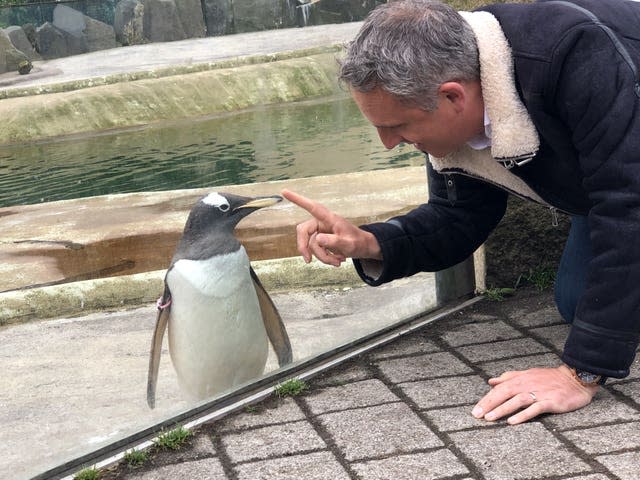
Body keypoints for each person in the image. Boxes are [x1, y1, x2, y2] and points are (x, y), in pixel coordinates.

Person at [281, 0, 640, 425]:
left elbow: (628, 207)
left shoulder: (576, 53)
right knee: (580, 301)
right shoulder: (449, 78)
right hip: (621, 176)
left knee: (606, 320)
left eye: (396, 127)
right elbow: (458, 217)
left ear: (453, 95)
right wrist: (371, 242)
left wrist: (579, 375)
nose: (388, 144)